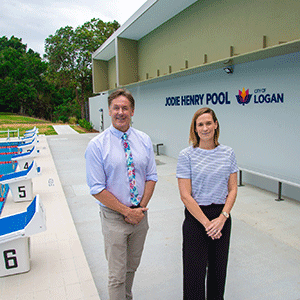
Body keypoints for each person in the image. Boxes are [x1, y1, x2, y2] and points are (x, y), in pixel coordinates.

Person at [85, 88, 158, 300]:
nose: (120, 112)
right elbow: (96, 188)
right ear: (109, 110)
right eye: (116, 107)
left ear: (132, 111)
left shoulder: (144, 140)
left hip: (140, 216)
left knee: (131, 268)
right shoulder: (97, 145)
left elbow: (151, 176)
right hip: (114, 218)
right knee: (117, 275)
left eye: (125, 108)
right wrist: (126, 211)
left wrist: (139, 209)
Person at [176, 107, 238, 300]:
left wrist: (222, 218)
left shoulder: (228, 153)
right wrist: (207, 224)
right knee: (194, 276)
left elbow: (233, 189)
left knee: (218, 274)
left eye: (208, 123)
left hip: (221, 217)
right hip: (196, 219)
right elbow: (186, 196)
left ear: (216, 124)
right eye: (200, 124)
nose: (205, 128)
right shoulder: (186, 155)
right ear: (194, 128)